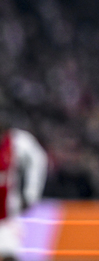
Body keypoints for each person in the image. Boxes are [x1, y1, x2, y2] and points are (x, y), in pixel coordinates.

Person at [0, 109, 48, 261]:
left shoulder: (17, 141)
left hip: (7, 217)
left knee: (9, 254)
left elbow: (39, 160)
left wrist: (30, 194)